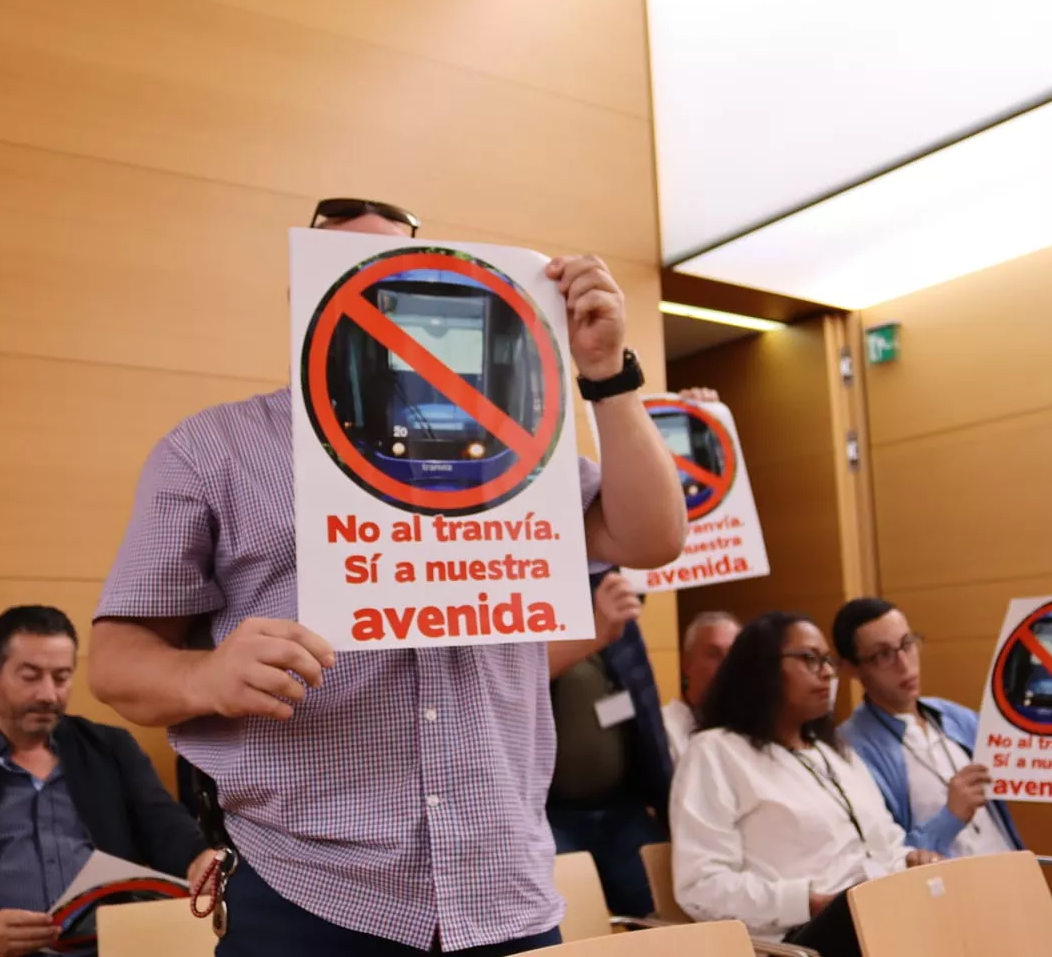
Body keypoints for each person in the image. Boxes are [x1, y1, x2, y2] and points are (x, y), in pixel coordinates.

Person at [86, 197, 688, 956]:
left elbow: (653, 534)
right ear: (303, 298)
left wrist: (604, 372)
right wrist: (208, 674)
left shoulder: (510, 450)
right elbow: (113, 661)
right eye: (344, 272)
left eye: (399, 278)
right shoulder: (214, 451)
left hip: (505, 891)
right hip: (310, 893)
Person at [833, 597, 1052, 957]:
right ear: (851, 668)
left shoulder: (951, 717)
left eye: (907, 643)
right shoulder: (850, 750)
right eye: (882, 655)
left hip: (1019, 891)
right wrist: (950, 817)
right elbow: (884, 865)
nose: (903, 663)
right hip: (952, 910)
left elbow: (1039, 746)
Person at [0, 606, 212, 957]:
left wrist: (198, 858)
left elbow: (165, 827)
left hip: (108, 946)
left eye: (61, 677)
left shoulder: (111, 750)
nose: (48, 694)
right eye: (30, 676)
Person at [670, 612, 940, 957]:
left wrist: (912, 859)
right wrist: (808, 902)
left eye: (827, 661)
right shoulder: (716, 751)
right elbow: (702, 888)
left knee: (951, 891)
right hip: (797, 938)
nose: (827, 672)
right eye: (810, 659)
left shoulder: (833, 751)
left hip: (872, 911)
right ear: (761, 668)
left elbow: (883, 842)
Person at [547, 570, 673, 918]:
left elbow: (647, 716)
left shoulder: (621, 627)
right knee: (571, 925)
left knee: (659, 918)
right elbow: (509, 689)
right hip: (550, 815)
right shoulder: (531, 614)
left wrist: (666, 801)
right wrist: (595, 631)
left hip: (623, 809)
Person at [661, 610, 740, 762]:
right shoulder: (664, 730)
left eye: (733, 654)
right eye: (713, 654)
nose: (726, 665)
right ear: (686, 663)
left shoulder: (754, 729)